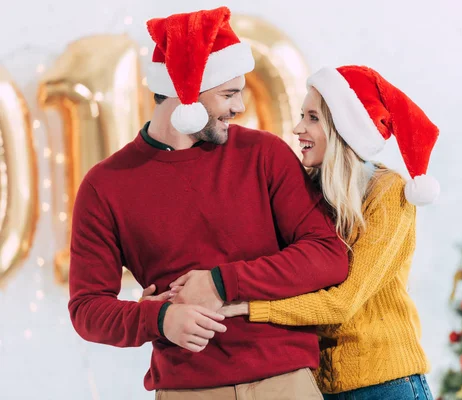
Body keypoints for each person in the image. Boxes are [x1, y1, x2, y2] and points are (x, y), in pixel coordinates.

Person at [68, 7, 348, 400]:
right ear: (185, 93)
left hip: (285, 383)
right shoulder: (105, 186)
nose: (239, 107)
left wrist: (221, 282)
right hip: (188, 390)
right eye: (228, 94)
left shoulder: (264, 154)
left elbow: (328, 255)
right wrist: (160, 319)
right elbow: (87, 309)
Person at [211, 65, 440, 399]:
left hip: (388, 385)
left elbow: (341, 305)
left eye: (313, 118)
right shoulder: (309, 192)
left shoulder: (389, 192)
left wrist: (249, 307)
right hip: (321, 386)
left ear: (343, 129)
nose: (298, 128)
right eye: (302, 116)